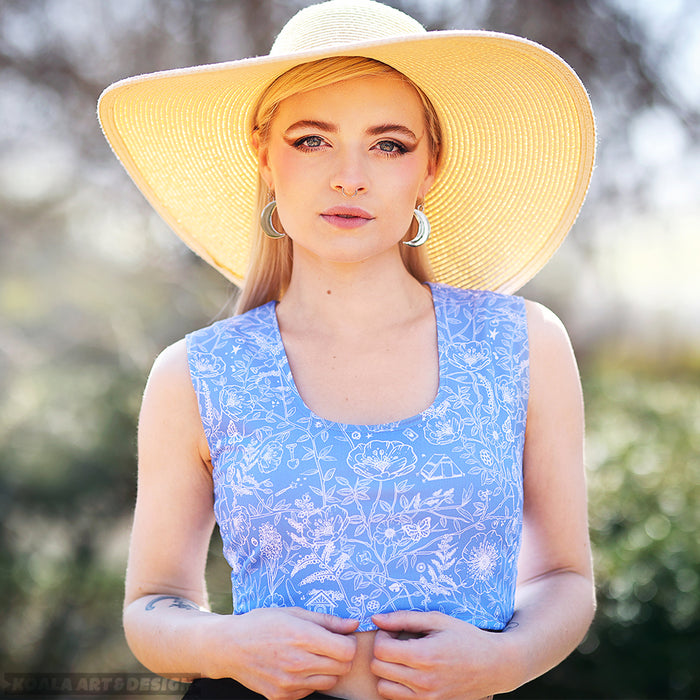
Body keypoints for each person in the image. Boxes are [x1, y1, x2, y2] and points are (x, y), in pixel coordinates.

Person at [98, 1, 596, 699]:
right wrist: (227, 644)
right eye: (311, 140)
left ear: (430, 166)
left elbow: (564, 580)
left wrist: (506, 660)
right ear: (264, 156)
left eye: (389, 144)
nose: (349, 176)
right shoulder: (195, 373)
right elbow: (152, 605)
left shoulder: (523, 344)